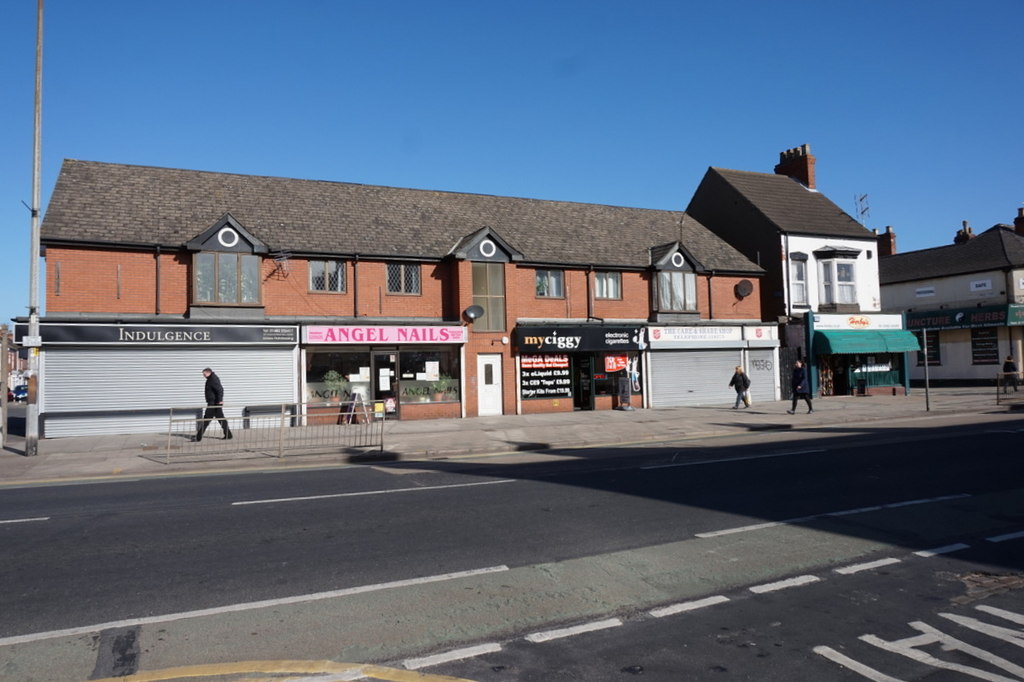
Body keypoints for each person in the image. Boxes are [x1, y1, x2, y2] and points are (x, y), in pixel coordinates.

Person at [196, 367, 232, 441]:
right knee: (221, 420)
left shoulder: (213, 379)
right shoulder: (210, 379)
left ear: (208, 372)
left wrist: (220, 401)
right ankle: (228, 435)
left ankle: (198, 437)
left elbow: (220, 389)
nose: (203, 375)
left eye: (204, 374)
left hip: (214, 404)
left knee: (206, 420)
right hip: (213, 403)